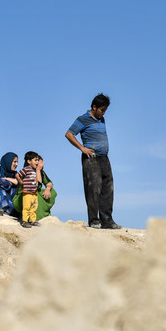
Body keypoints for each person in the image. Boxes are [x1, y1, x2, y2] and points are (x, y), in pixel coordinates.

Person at [65, 93, 121, 230]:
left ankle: (107, 221)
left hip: (104, 158)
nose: (103, 112)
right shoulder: (83, 119)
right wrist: (82, 148)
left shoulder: (102, 120)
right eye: (102, 110)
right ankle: (94, 220)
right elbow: (69, 134)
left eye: (105, 110)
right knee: (93, 189)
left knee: (108, 189)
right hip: (91, 158)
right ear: (94, 107)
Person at [13, 153, 57, 220]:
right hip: (23, 195)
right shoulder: (27, 171)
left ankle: (41, 214)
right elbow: (37, 185)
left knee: (52, 191)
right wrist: (38, 170)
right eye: (37, 161)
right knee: (36, 194)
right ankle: (33, 218)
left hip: (33, 193)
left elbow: (49, 183)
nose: (41, 164)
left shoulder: (41, 172)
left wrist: (47, 189)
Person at [16, 151, 40, 228]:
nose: (37, 162)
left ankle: (32, 220)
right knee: (26, 207)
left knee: (34, 207)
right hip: (27, 193)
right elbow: (17, 175)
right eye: (35, 160)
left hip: (34, 193)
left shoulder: (35, 170)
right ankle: (24, 221)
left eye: (38, 160)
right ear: (29, 161)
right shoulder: (26, 169)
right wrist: (21, 182)